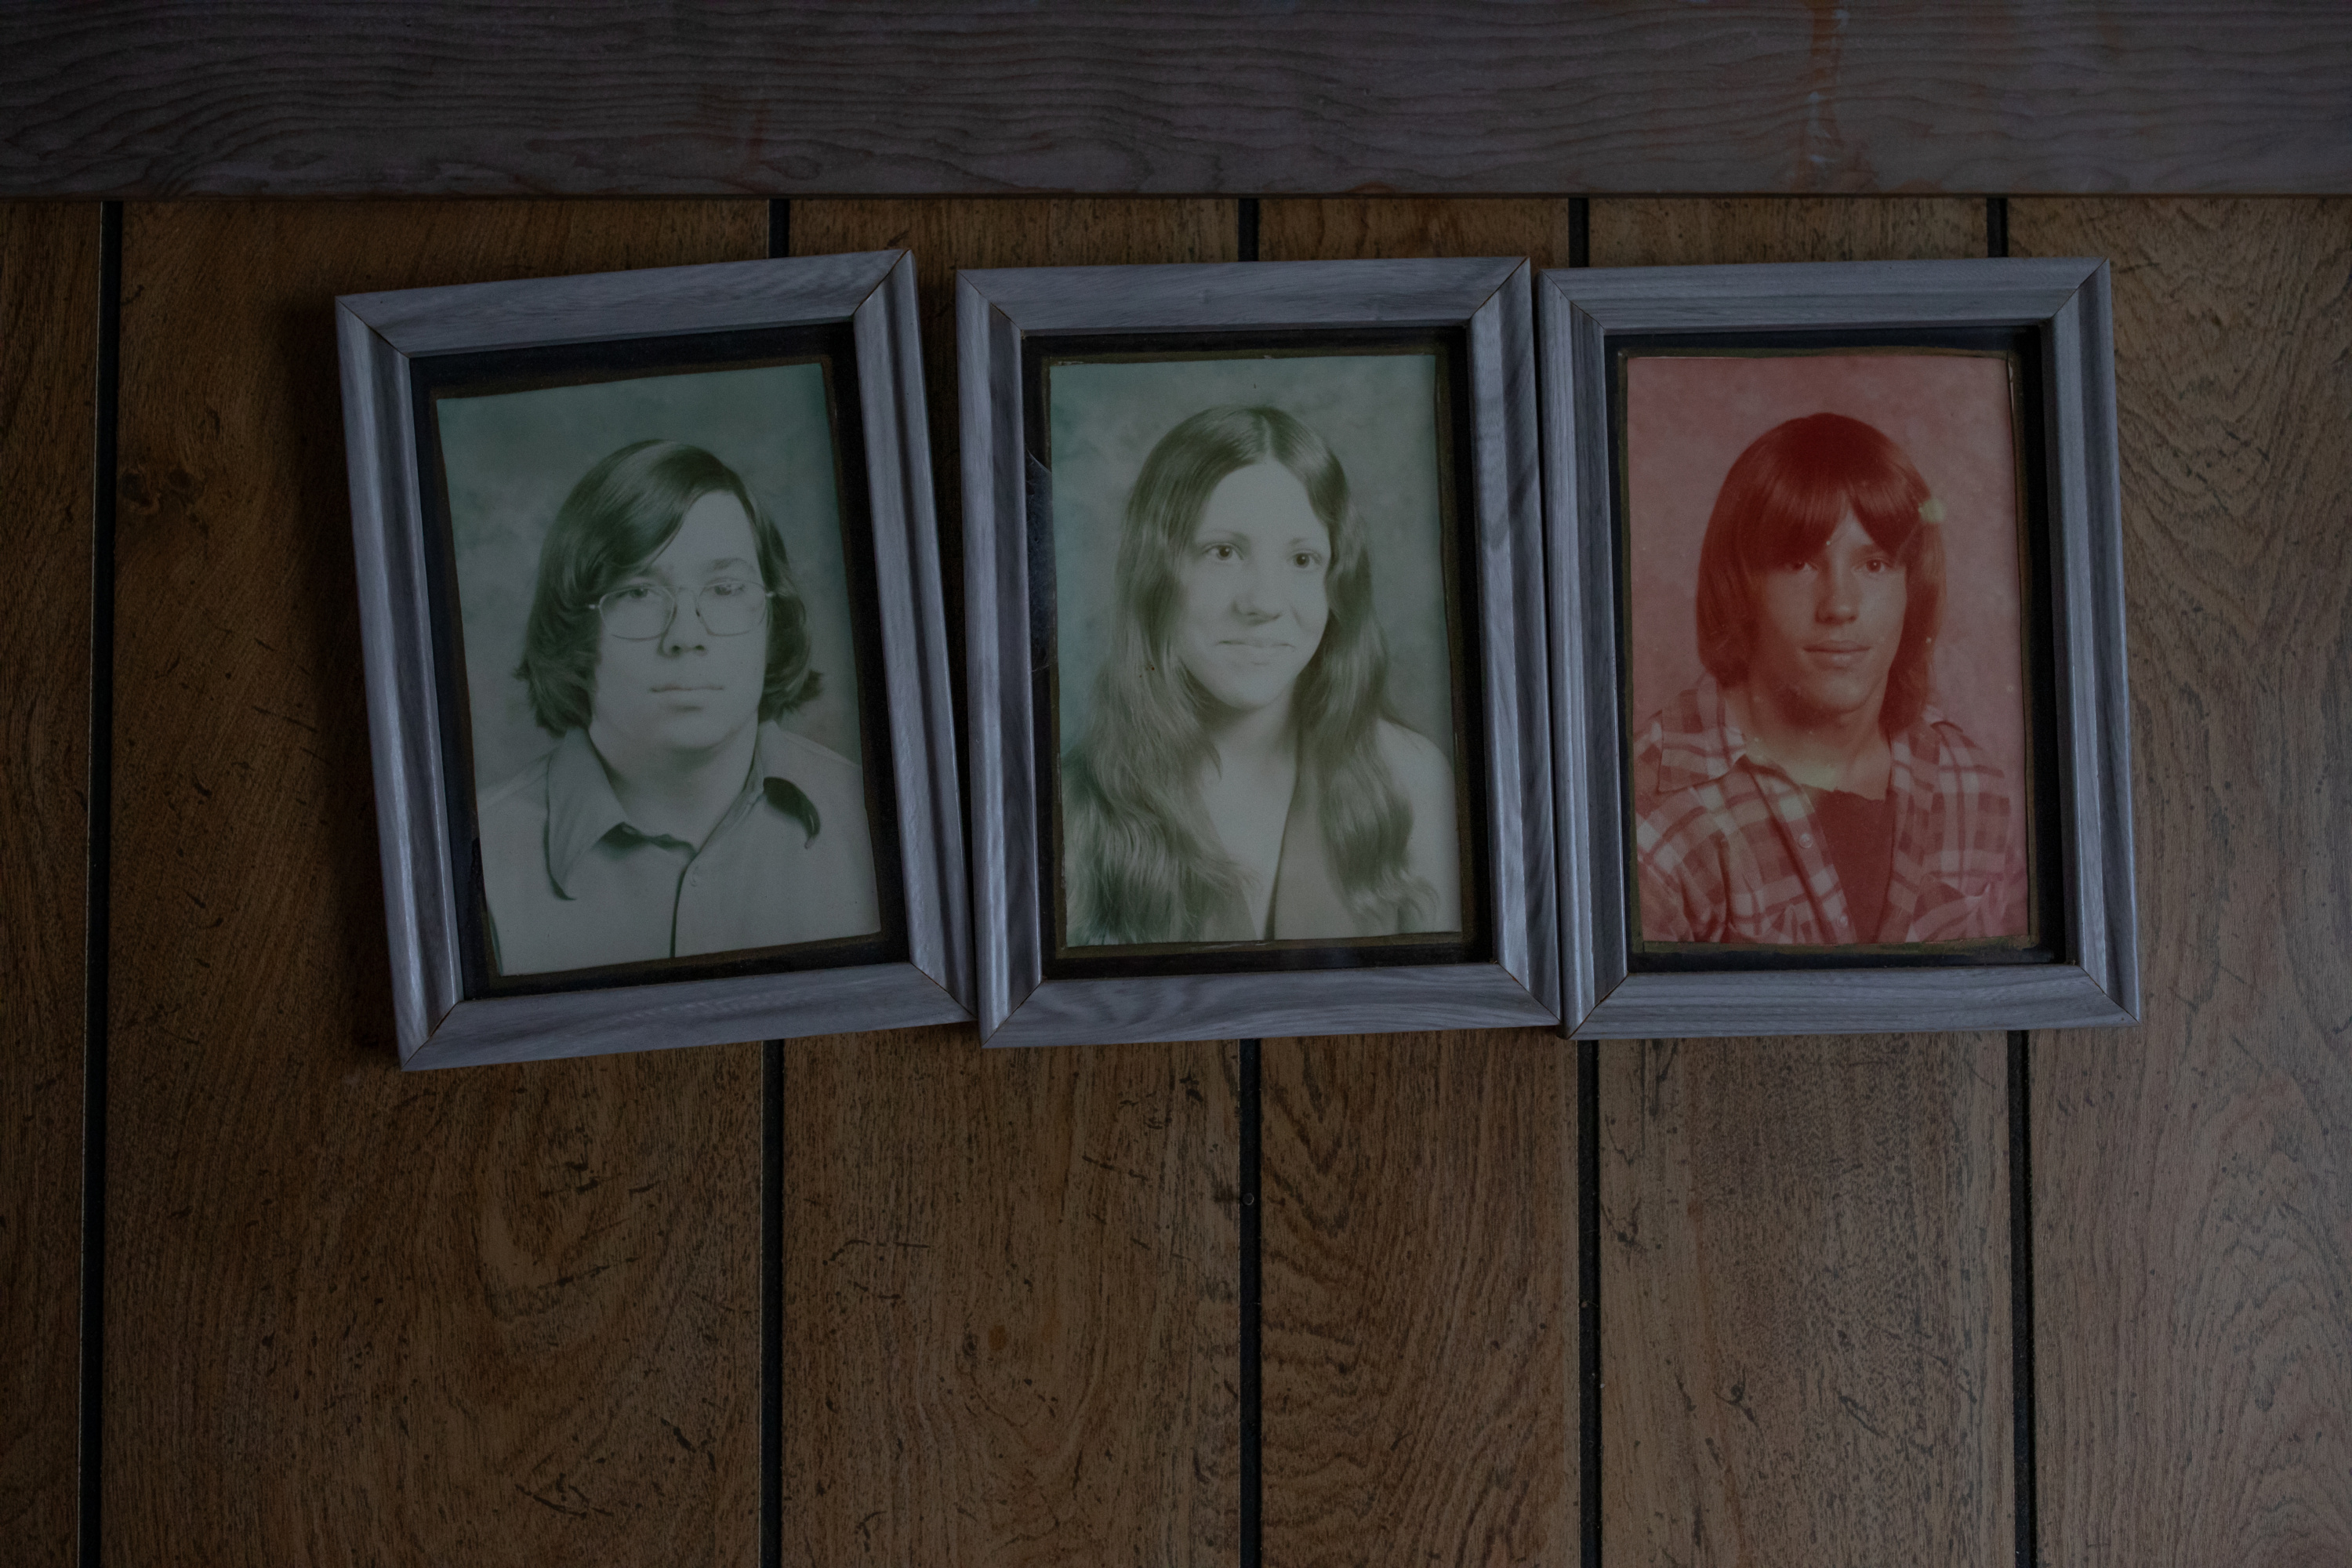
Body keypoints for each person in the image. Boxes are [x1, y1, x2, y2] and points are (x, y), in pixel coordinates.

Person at [1061, 404, 1460, 947]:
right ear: (1156, 577)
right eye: (1223, 552)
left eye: (1302, 560)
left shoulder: (1411, 783)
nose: (1264, 603)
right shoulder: (1070, 810)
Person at [476, 439, 878, 975]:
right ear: (577, 629)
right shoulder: (472, 860)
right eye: (639, 593)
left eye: (725, 588)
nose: (686, 636)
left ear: (771, 621)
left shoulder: (877, 821)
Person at [1635, 411, 2027, 946]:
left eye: (1875, 566)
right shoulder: (1650, 810)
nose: (1840, 606)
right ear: (1741, 586)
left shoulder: (1976, 788)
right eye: (1800, 564)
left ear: (1913, 588)